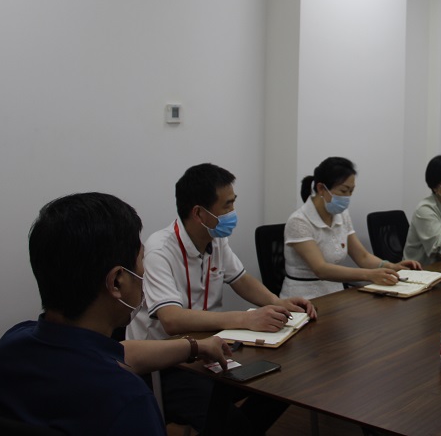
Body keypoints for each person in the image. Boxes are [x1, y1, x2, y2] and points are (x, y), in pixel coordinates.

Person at [0, 193, 231, 436]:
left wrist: (195, 346)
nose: (144, 271)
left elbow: (119, 354)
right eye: (141, 259)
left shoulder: (11, 346)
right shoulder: (127, 400)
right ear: (116, 282)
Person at [127, 163, 316, 435]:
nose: (233, 212)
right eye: (227, 206)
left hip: (208, 350)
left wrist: (277, 302)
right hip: (165, 364)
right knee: (232, 424)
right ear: (199, 213)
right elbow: (171, 320)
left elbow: (241, 279)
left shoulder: (214, 239)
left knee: (284, 386)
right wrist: (247, 319)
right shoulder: (160, 250)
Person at [281, 157, 422, 299]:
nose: (347, 197)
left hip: (335, 294)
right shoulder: (299, 221)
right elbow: (321, 269)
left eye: (351, 191)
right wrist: (369, 275)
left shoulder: (341, 215)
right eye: (343, 191)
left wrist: (392, 267)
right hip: (303, 298)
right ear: (321, 188)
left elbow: (363, 257)